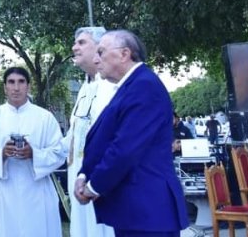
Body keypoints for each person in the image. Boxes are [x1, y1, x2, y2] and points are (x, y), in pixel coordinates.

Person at [75, 29, 188, 237]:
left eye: (101, 51)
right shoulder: (129, 87)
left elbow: (125, 148)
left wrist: (94, 186)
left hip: (148, 209)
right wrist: (84, 173)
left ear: (124, 54)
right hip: (135, 209)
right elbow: (103, 139)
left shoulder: (144, 86)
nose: (96, 58)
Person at [0, 67, 67, 237]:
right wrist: (2, 153)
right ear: (5, 87)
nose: (16, 88)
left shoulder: (44, 117)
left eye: (21, 82)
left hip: (37, 189)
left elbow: (59, 152)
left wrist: (34, 154)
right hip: (7, 189)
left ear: (28, 86)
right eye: (11, 82)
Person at [66, 26, 115, 237]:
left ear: (99, 47)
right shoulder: (84, 88)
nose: (74, 47)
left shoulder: (112, 86)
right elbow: (73, 137)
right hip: (78, 178)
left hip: (102, 180)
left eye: (81, 42)